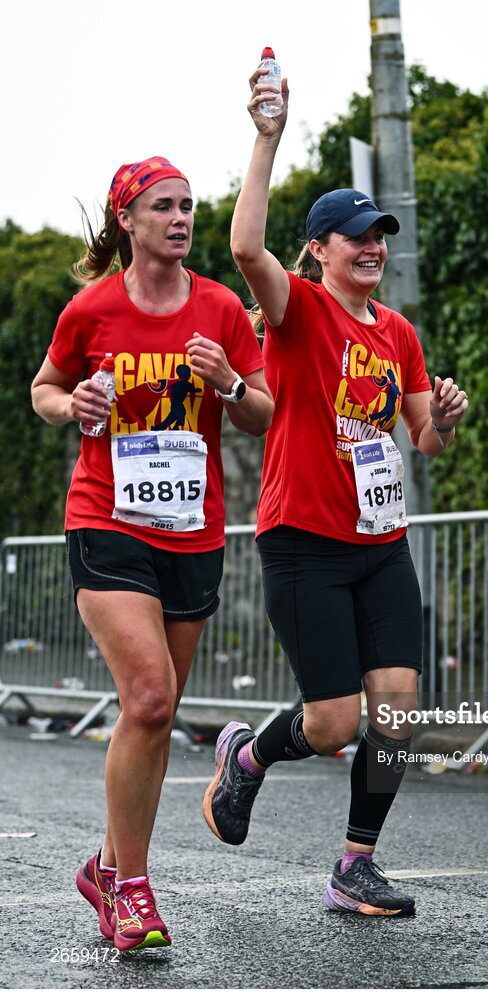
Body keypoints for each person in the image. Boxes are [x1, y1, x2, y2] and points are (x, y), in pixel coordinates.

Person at [202, 65, 468, 917]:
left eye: (379, 234)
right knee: (332, 725)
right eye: (355, 236)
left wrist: (448, 419)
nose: (372, 246)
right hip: (303, 543)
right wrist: (268, 136)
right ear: (319, 250)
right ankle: (245, 759)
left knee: (397, 712)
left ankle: (356, 862)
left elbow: (421, 436)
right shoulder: (300, 312)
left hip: (379, 545)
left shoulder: (399, 335)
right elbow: (247, 250)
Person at [31, 156, 274, 950]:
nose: (180, 218)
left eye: (188, 206)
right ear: (127, 221)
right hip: (106, 519)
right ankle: (132, 889)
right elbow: (44, 388)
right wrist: (74, 403)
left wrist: (231, 383)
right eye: (163, 207)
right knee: (148, 699)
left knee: (158, 716)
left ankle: (105, 866)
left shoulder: (219, 308)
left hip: (192, 530)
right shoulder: (91, 309)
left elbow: (265, 412)